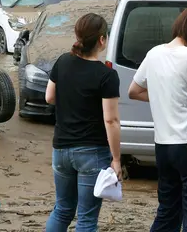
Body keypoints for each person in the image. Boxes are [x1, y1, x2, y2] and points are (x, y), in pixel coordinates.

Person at [127, 4, 187, 232]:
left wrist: (165, 96)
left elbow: (134, 90)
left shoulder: (154, 53)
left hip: (164, 144)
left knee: (168, 210)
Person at [44, 13, 122, 232]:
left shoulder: (63, 61)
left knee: (62, 209)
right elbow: (111, 119)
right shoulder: (106, 75)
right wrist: (116, 159)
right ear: (102, 40)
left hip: (61, 149)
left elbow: (49, 97)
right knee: (86, 219)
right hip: (92, 152)